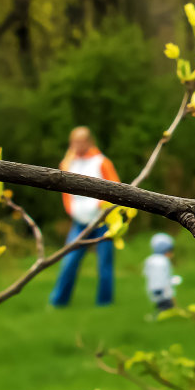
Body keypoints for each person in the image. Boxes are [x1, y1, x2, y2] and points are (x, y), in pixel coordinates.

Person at [48, 126, 120, 307]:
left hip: (102, 221)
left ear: (89, 142)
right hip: (79, 222)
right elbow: (64, 186)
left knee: (104, 265)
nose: (77, 145)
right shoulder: (69, 163)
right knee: (69, 262)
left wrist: (100, 206)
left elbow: (116, 187)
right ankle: (58, 301)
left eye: (80, 141)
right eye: (74, 142)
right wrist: (71, 209)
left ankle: (105, 303)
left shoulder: (101, 162)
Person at [142, 233, 181, 315]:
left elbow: (145, 273)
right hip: (163, 289)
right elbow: (165, 276)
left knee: (160, 304)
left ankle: (160, 315)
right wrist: (172, 281)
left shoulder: (150, 260)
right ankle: (165, 316)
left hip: (153, 288)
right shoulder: (163, 261)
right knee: (167, 307)